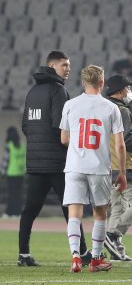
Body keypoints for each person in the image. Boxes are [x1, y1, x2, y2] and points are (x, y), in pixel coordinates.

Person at [19, 51, 89, 267]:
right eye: (64, 65)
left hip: (35, 162)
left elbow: (25, 126)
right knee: (71, 207)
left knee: (30, 209)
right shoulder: (58, 91)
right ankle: (83, 252)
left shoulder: (32, 92)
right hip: (57, 162)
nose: (68, 69)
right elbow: (61, 127)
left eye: (69, 65)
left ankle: (23, 255)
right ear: (52, 66)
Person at [60, 65, 127, 273]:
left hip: (74, 166)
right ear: (102, 83)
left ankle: (75, 257)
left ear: (83, 82)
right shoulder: (110, 108)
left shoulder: (70, 105)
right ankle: (96, 259)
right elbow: (120, 145)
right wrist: (122, 172)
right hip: (99, 167)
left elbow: (63, 139)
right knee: (100, 214)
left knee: (74, 213)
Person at [103, 75, 132, 262]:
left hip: (108, 166)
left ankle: (116, 250)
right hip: (126, 166)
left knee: (118, 208)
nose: (130, 91)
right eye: (128, 87)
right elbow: (128, 141)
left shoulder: (105, 108)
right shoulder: (122, 110)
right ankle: (112, 235)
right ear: (121, 90)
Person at [1, 127, 26, 218]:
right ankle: (18, 212)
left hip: (11, 173)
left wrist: (3, 173)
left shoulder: (9, 145)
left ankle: (10, 212)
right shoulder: (22, 145)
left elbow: (6, 160)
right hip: (20, 173)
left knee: (11, 194)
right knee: (18, 194)